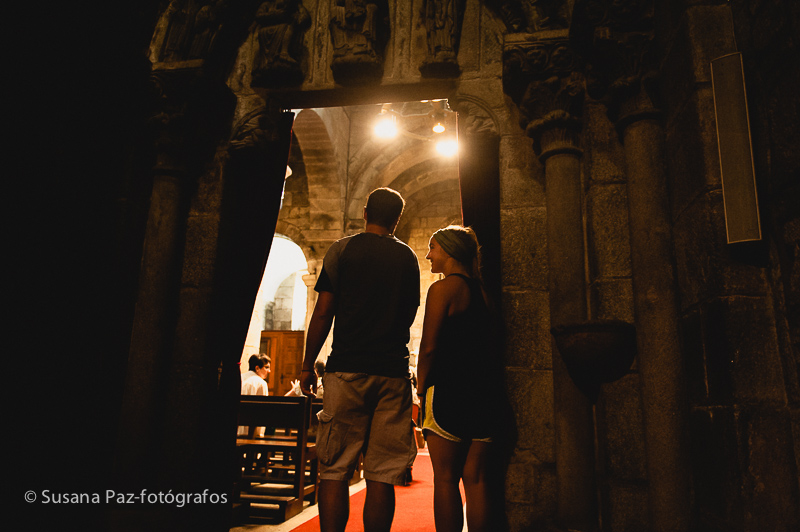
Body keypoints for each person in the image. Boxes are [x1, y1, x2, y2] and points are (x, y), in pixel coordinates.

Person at [300, 187, 420, 532]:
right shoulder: (408, 257)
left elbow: (324, 312)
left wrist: (308, 364)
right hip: (392, 372)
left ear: (365, 213)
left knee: (335, 469)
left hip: (347, 370)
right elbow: (409, 311)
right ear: (397, 219)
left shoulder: (343, 249)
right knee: (382, 474)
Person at [416, 225, 504, 532]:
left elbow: (428, 347)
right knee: (477, 480)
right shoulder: (485, 294)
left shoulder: (442, 289)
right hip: (485, 395)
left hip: (448, 394)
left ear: (449, 251)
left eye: (433, 247)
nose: (428, 255)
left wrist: (420, 385)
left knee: (446, 479)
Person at [238, 353, 272, 436]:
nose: (269, 371)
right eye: (267, 367)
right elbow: (262, 411)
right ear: (257, 368)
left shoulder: (239, 378)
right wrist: (259, 435)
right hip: (250, 433)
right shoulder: (261, 383)